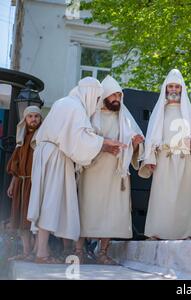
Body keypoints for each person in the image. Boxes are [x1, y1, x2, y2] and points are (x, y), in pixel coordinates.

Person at [27, 77, 126, 263]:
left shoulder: (64, 102)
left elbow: (75, 137)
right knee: (50, 202)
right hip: (55, 155)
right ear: (89, 93)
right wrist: (105, 143)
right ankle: (41, 253)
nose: (96, 102)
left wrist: (100, 144)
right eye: (96, 97)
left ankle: (41, 250)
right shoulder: (75, 107)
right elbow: (80, 139)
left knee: (46, 202)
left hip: (49, 153)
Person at [76, 75, 144, 264]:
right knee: (87, 209)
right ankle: (78, 251)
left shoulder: (124, 117)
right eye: (113, 95)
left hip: (115, 173)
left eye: (119, 96)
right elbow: (83, 140)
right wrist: (102, 146)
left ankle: (102, 253)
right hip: (93, 172)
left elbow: (131, 140)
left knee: (111, 212)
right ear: (104, 95)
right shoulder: (90, 115)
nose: (117, 99)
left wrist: (135, 143)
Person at [139, 69, 191, 240]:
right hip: (164, 160)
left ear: (182, 89)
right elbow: (152, 136)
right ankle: (157, 233)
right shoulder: (159, 111)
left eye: (177, 86)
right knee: (162, 198)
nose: (174, 90)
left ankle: (182, 234)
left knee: (183, 199)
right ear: (166, 88)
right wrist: (150, 158)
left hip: (185, 161)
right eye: (171, 86)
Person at [6, 106, 42, 261]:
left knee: (36, 218)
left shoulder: (43, 139)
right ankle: (27, 251)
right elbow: (16, 165)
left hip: (36, 184)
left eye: (36, 116)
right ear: (25, 119)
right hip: (22, 184)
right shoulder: (21, 140)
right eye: (30, 116)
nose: (33, 119)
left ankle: (38, 250)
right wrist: (13, 183)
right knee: (21, 218)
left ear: (41, 119)